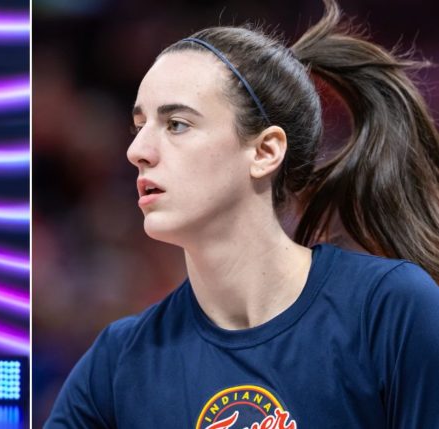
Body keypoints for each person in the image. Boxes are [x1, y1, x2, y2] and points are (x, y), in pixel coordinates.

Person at [45, 0, 439, 427]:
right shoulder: (116, 363)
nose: (137, 151)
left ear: (265, 151)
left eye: (176, 124)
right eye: (139, 127)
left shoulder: (390, 310)